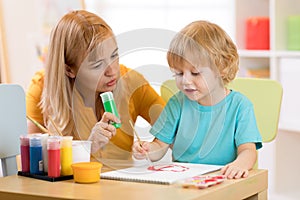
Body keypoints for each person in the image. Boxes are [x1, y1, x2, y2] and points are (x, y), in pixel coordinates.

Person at [26, 10, 165, 165]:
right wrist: (87, 148)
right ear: (69, 70)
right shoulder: (42, 88)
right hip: (66, 187)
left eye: (114, 56)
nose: (112, 71)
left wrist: (154, 147)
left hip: (122, 186)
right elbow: (32, 162)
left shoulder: (131, 81)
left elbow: (172, 123)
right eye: (97, 65)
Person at [132, 20, 262, 179]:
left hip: (223, 179)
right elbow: (160, 145)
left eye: (195, 73)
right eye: (179, 73)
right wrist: (147, 149)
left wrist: (239, 164)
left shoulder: (240, 106)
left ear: (222, 68)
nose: (185, 81)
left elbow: (248, 150)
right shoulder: (177, 103)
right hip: (184, 181)